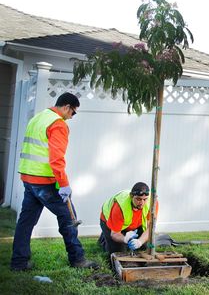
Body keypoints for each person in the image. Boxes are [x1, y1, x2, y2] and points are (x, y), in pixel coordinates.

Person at [10, 92, 99, 271]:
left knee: (25, 222)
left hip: (29, 178)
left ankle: (18, 263)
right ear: (66, 107)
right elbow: (56, 159)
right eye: (73, 112)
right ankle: (77, 259)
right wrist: (64, 184)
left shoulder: (39, 117)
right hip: (44, 181)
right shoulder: (58, 124)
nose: (72, 117)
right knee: (68, 217)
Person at [98, 182, 158, 254]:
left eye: (144, 199)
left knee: (144, 246)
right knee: (118, 251)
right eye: (138, 199)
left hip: (133, 222)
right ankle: (104, 238)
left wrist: (140, 241)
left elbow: (150, 228)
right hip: (109, 221)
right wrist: (125, 239)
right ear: (131, 196)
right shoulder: (119, 207)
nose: (142, 203)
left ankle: (121, 234)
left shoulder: (153, 203)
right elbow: (115, 234)